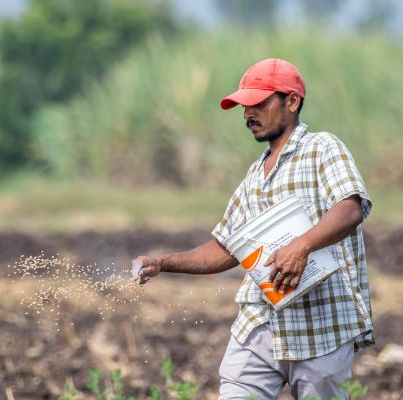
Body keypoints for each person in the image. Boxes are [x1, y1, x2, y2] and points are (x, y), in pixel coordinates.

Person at [131, 58, 374, 400]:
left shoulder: (322, 148)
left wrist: (301, 246)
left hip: (322, 323)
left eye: (258, 103)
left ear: (291, 102)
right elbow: (227, 247)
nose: (248, 114)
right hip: (261, 321)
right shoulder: (253, 177)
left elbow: (350, 208)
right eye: (244, 106)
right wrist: (163, 263)